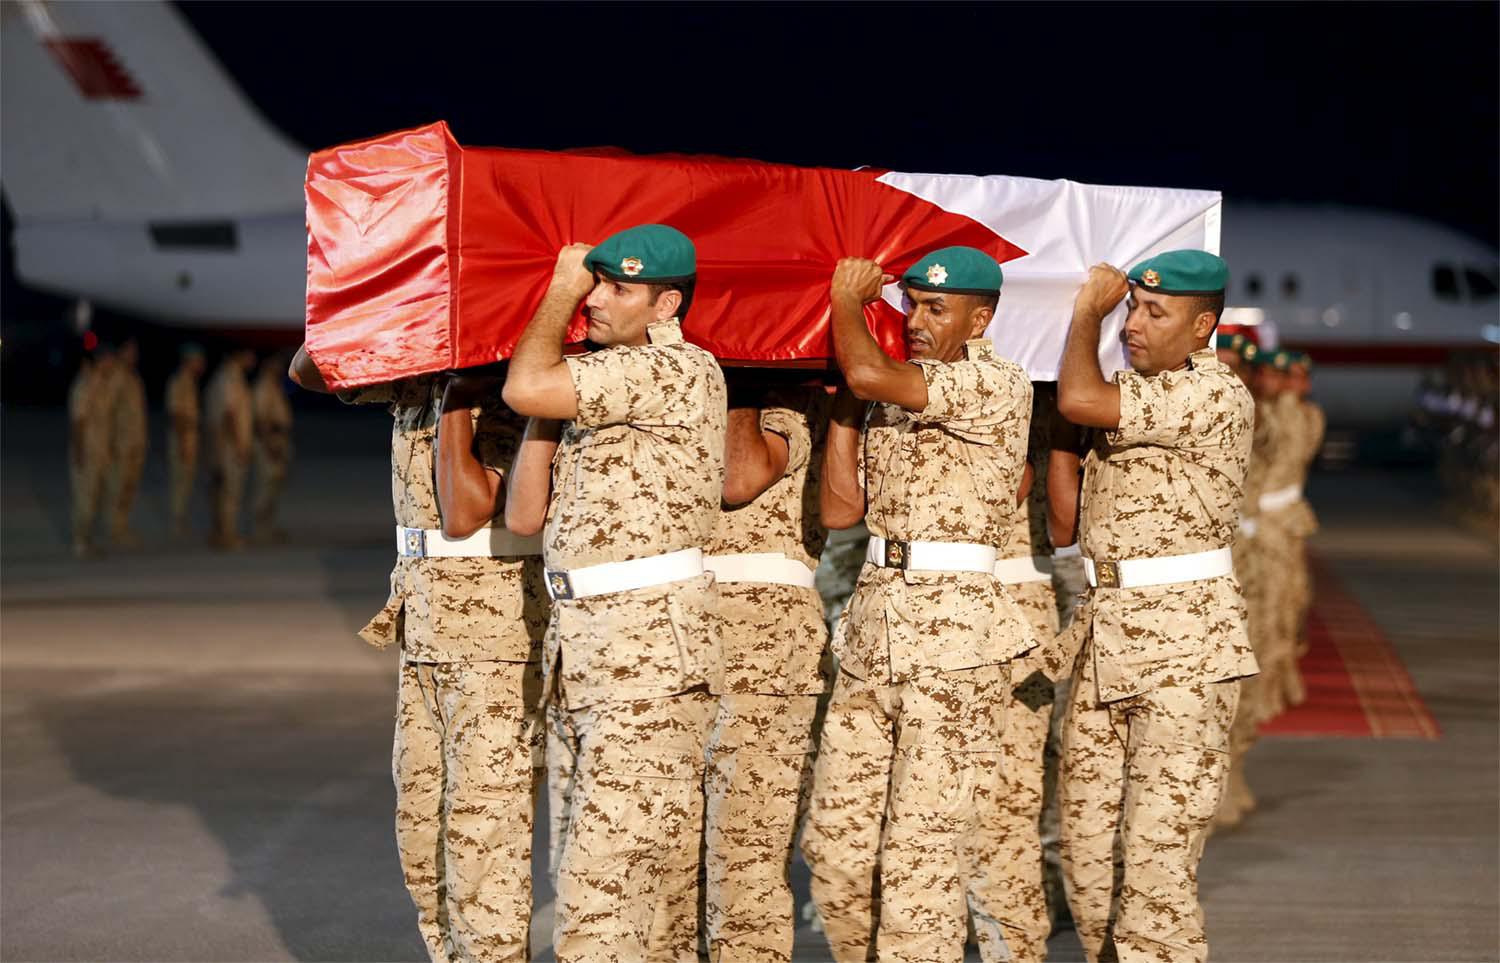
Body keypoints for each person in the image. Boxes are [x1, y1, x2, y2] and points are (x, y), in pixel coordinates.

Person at [801, 246, 1035, 963]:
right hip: (875, 628)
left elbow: (871, 367)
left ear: (981, 316)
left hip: (955, 641)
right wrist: (847, 401)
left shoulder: (996, 383)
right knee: (834, 850)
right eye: (909, 304)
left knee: (920, 861)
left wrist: (847, 304)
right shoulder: (889, 395)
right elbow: (843, 508)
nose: (915, 319)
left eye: (936, 308)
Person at [501, 224, 726, 962]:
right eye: (593, 283)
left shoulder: (670, 370)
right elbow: (525, 515)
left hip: (646, 664)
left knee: (602, 902)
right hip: (591, 656)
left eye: (616, 288)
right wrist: (552, 405)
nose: (594, 299)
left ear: (667, 305)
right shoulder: (598, 385)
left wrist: (558, 290)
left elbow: (523, 382)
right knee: (622, 892)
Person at [288, 348, 548, 963]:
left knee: (485, 836)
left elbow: (463, 512)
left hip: (498, 642)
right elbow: (311, 370)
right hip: (424, 632)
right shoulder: (415, 371)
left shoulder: (523, 387)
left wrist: (460, 387)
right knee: (421, 830)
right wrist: (357, 307)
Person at [1055, 250, 1257, 963]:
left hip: (1182, 651)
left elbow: (1079, 398)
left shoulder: (1213, 392)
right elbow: (1064, 515)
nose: (1132, 323)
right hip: (1105, 638)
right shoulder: (1128, 393)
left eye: (1153, 312)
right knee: (1086, 865)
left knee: (1155, 872)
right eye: (1130, 307)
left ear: (1202, 327)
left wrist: (1085, 310)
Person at [702, 372, 832, 962]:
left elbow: (738, 478)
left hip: (766, 655)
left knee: (744, 856)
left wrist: (742, 372)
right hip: (669, 637)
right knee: (668, 858)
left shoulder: (790, 401)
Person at [967, 385, 1076, 963]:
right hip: (923, 607)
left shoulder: (1052, 404)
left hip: (1013, 599)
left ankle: (1011, 950)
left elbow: (1047, 512)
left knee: (1006, 805)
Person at [204, 349, 255, 549]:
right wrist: (239, 445)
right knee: (229, 493)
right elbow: (229, 414)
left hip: (225, 445)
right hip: (229, 447)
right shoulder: (229, 378)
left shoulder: (229, 377)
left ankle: (221, 534)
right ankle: (227, 537)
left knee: (224, 493)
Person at [68, 347, 114, 557]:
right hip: (87, 451)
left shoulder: (100, 384)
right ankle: (80, 543)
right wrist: (79, 452)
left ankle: (88, 541)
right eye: (107, 359)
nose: (110, 364)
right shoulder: (84, 385)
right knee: (84, 500)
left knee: (95, 499)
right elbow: (78, 421)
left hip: (99, 452)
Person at [105, 338, 148, 547]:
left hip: (135, 444)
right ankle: (114, 530)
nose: (134, 355)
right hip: (121, 444)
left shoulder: (133, 377)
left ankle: (121, 527)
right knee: (117, 488)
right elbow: (108, 410)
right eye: (130, 351)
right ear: (121, 352)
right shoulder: (117, 376)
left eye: (135, 351)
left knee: (129, 488)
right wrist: (110, 443)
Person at [250, 353, 294, 542]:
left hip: (278, 441)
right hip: (269, 442)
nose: (280, 367)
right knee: (264, 487)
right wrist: (270, 445)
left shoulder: (274, 386)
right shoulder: (263, 387)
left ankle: (267, 527)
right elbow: (261, 421)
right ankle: (258, 530)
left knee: (273, 487)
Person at [164, 344, 207, 537]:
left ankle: (180, 520)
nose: (201, 365)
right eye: (198, 361)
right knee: (180, 483)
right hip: (182, 438)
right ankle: (176, 522)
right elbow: (176, 416)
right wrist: (182, 443)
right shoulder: (179, 382)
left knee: (186, 482)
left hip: (189, 438)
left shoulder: (189, 382)